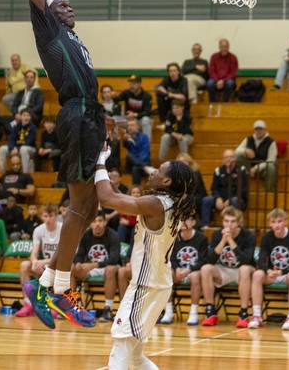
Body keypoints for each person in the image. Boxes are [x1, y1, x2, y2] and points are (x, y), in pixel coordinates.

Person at [21, 0, 107, 330]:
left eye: (70, 4)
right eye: (60, 4)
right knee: (79, 205)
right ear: (48, 13)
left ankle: (53, 285)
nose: (68, 7)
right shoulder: (49, 32)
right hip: (75, 115)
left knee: (90, 208)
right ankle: (53, 288)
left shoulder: (75, 38)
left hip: (92, 115)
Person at [92, 149, 199, 370]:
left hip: (146, 285)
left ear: (167, 181)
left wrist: (99, 161)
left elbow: (107, 199)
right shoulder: (171, 204)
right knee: (135, 355)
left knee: (121, 348)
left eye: (158, 170)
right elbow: (120, 198)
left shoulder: (155, 204)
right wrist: (109, 180)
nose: (152, 172)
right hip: (158, 284)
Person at [200, 207, 256, 328]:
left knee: (245, 269)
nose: (229, 225)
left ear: (239, 223)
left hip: (242, 271)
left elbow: (246, 260)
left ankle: (243, 313)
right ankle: (210, 311)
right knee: (205, 269)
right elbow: (210, 260)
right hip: (223, 270)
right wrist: (223, 241)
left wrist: (230, 240)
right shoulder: (217, 234)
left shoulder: (248, 235)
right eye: (226, 221)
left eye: (233, 221)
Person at [247, 208, 289, 330]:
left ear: (286, 222)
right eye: (273, 222)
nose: (277, 225)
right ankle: (257, 315)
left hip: (286, 274)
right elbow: (261, 259)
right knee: (257, 275)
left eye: (279, 221)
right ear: (269, 224)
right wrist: (268, 271)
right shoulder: (267, 238)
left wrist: (281, 272)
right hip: (271, 274)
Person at [71, 212, 121, 323]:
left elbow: (114, 259)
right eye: (94, 221)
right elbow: (79, 254)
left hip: (110, 267)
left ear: (105, 222)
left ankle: (108, 309)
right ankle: (73, 306)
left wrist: (94, 265)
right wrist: (78, 263)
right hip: (91, 268)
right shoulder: (86, 235)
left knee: (110, 269)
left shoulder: (113, 235)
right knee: (72, 269)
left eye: (100, 221)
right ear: (90, 224)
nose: (97, 224)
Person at [160, 215, 208, 325]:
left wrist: (189, 270)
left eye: (186, 219)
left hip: (194, 271)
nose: (183, 222)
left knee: (195, 276)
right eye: (181, 220)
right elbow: (170, 257)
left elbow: (203, 260)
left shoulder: (201, 238)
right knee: (167, 273)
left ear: (193, 222)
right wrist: (176, 268)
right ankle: (168, 311)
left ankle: (193, 313)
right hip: (179, 272)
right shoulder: (174, 237)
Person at [16, 204, 61, 318]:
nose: (48, 219)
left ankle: (54, 305)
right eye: (45, 216)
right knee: (24, 265)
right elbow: (34, 251)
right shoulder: (38, 230)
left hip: (61, 265)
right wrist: (35, 261)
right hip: (46, 265)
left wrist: (43, 262)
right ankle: (28, 303)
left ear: (56, 216)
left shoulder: (63, 229)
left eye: (51, 216)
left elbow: (63, 256)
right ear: (42, 217)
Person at [200, 149, 245, 228]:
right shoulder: (218, 171)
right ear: (223, 160)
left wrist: (229, 200)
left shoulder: (241, 170)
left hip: (236, 198)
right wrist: (217, 198)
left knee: (235, 200)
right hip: (221, 199)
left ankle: (237, 225)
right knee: (206, 200)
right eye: (226, 157)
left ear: (235, 158)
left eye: (231, 157)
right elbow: (214, 188)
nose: (229, 159)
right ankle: (205, 226)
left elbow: (243, 190)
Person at [235, 120, 277, 193]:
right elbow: (236, 152)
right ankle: (242, 181)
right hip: (248, 167)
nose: (258, 131)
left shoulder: (271, 142)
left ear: (265, 130)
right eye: (256, 129)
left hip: (262, 169)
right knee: (238, 155)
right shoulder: (248, 139)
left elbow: (271, 160)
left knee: (271, 166)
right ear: (254, 130)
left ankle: (269, 192)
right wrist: (245, 151)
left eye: (260, 129)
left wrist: (256, 168)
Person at [0, 109, 37, 173]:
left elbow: (29, 141)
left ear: (30, 117)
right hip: (16, 148)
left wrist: (17, 149)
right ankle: (1, 172)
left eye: (28, 115)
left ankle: (25, 174)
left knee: (23, 149)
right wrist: (12, 148)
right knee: (2, 149)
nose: (26, 117)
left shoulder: (33, 128)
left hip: (30, 148)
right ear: (21, 117)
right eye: (24, 115)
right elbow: (11, 139)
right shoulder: (16, 126)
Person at [117, 75, 153, 139]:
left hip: (140, 119)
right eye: (130, 84)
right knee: (114, 120)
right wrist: (114, 96)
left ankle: (146, 143)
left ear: (139, 84)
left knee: (146, 120)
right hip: (129, 119)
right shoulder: (126, 93)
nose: (131, 86)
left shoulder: (147, 96)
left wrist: (135, 115)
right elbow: (117, 100)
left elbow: (148, 112)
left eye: (134, 84)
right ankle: (119, 143)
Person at [207, 38, 238, 103]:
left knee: (230, 83)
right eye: (222, 47)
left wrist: (223, 81)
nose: (224, 48)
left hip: (227, 80)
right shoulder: (214, 57)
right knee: (210, 83)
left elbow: (233, 73)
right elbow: (211, 71)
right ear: (219, 47)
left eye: (226, 46)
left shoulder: (233, 57)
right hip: (216, 80)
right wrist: (217, 80)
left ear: (228, 47)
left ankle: (225, 103)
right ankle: (212, 103)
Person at [123, 119, 150, 185]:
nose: (129, 127)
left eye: (132, 125)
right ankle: (144, 167)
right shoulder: (126, 138)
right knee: (129, 155)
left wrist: (138, 163)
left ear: (137, 126)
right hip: (131, 164)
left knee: (136, 168)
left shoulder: (144, 137)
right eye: (128, 125)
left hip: (142, 162)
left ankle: (136, 188)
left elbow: (145, 155)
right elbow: (124, 149)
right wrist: (124, 140)